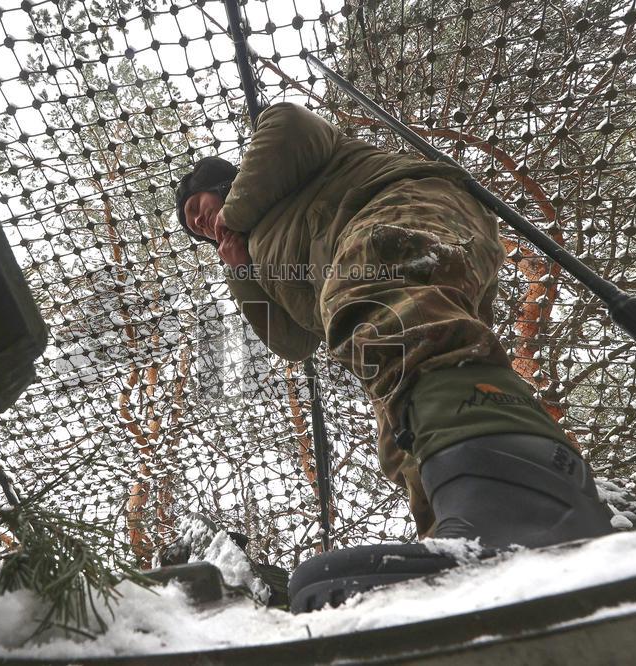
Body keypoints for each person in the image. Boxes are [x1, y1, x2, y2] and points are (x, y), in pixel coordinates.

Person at [176, 102, 613, 550]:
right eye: (193, 226)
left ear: (220, 184)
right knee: (403, 429)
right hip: (381, 305)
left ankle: (526, 506)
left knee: (388, 313)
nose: (198, 222)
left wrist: (235, 213)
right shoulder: (257, 251)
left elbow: (290, 122)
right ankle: (472, 544)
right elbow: (292, 342)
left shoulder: (275, 173)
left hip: (400, 212)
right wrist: (242, 270)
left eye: (196, 206)